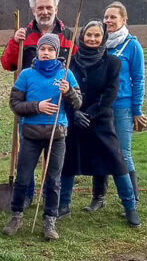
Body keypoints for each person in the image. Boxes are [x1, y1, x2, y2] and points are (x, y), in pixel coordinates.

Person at [58, 21, 141, 227]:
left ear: (103, 38)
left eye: (97, 35)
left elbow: (109, 94)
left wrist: (89, 114)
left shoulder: (113, 63)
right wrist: (75, 113)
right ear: (82, 36)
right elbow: (64, 90)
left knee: (116, 161)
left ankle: (130, 207)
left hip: (101, 120)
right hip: (74, 120)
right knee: (68, 162)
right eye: (89, 35)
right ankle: (63, 205)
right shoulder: (70, 61)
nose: (92, 39)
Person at [0, 0, 77, 208]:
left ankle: (51, 200)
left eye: (48, 8)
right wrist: (15, 42)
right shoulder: (24, 35)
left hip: (58, 107)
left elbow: (77, 67)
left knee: (55, 161)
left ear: (56, 10)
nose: (44, 12)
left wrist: (72, 93)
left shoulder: (68, 35)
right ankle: (26, 197)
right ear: (33, 11)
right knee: (27, 159)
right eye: (40, 8)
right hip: (29, 109)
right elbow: (8, 64)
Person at [2, 34, 82, 240]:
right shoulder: (26, 75)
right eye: (42, 49)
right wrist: (37, 106)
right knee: (23, 177)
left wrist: (69, 92)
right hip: (30, 134)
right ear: (37, 51)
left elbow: (78, 104)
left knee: (54, 180)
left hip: (57, 134)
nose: (46, 53)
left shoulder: (66, 75)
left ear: (57, 52)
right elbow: (15, 105)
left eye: (50, 49)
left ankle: (50, 220)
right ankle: (16, 215)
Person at [90, 1, 147, 209]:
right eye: (106, 17)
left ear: (124, 19)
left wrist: (137, 109)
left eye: (113, 17)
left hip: (122, 106)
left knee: (123, 152)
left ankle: (132, 201)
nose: (108, 21)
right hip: (100, 106)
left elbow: (139, 79)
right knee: (99, 149)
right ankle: (98, 197)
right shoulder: (100, 43)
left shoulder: (132, 46)